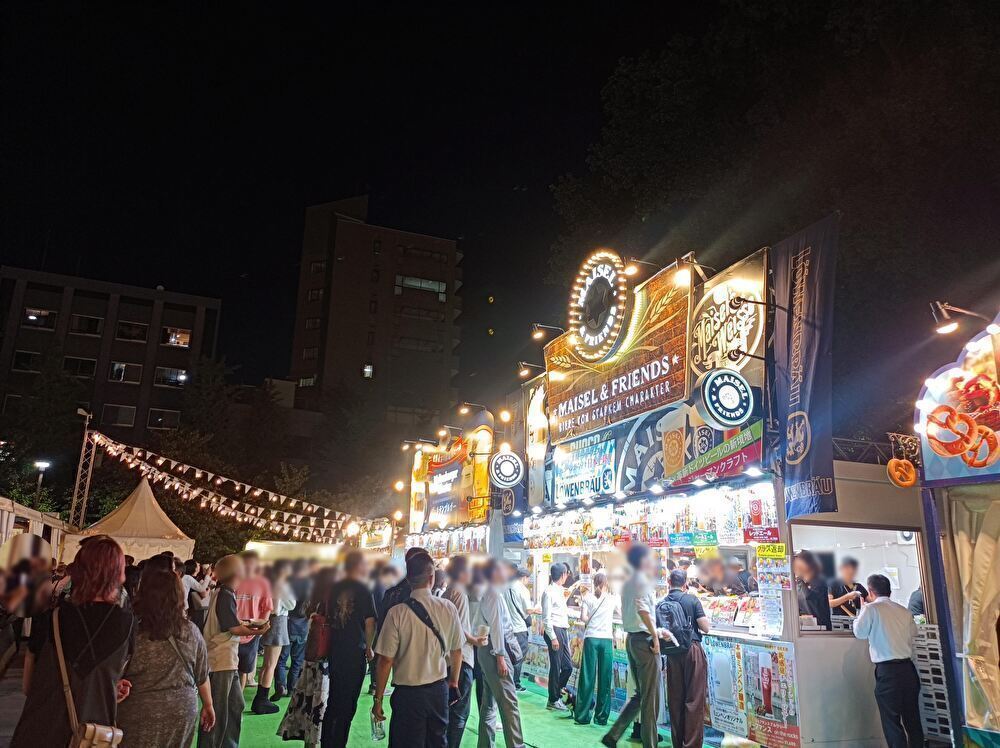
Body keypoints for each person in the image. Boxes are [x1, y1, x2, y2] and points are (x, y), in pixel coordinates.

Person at [11, 535, 135, 747]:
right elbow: (104, 678)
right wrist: (107, 690)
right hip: (90, 737)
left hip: (38, 732)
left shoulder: (51, 617)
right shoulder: (127, 622)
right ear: (117, 574)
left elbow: (28, 686)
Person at [372, 551, 464, 748]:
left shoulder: (396, 613)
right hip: (438, 691)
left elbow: (385, 660)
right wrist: (453, 682)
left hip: (408, 695)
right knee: (437, 742)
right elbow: (457, 651)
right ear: (432, 578)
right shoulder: (448, 608)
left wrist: (378, 699)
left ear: (408, 579)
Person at [117, 568, 215, 746]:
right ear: (179, 595)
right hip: (182, 710)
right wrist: (208, 705)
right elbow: (202, 675)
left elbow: (115, 672)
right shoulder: (190, 631)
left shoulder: (131, 630)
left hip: (138, 711)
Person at [198, 553, 270, 748]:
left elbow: (232, 623)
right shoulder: (225, 594)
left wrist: (248, 626)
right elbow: (234, 628)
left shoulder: (223, 592)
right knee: (218, 711)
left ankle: (228, 744)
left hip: (225, 659)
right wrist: (257, 630)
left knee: (235, 705)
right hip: (220, 659)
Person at [853, 574, 923, 748]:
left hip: (887, 672)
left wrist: (861, 611)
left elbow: (859, 633)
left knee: (892, 722)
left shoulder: (871, 610)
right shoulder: (904, 611)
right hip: (908, 670)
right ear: (889, 591)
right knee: (913, 719)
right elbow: (914, 633)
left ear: (870, 591)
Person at [602, 543, 661, 748]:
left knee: (641, 694)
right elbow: (643, 610)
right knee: (650, 697)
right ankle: (650, 744)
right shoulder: (642, 580)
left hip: (632, 640)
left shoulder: (628, 582)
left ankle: (613, 734)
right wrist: (655, 636)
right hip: (645, 642)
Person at [321, 550, 377, 747]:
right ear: (359, 565)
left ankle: (327, 742)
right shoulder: (363, 589)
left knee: (334, 700)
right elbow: (370, 622)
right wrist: (369, 647)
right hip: (355, 651)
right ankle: (338, 743)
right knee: (348, 704)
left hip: (335, 650)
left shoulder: (334, 587)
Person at [279, 567, 337, 747]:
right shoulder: (332, 601)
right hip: (323, 659)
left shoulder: (314, 597)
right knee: (320, 700)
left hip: (310, 657)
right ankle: (314, 739)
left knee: (307, 697)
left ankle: (307, 739)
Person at [473, 559, 525, 748]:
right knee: (509, 703)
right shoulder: (493, 594)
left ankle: (485, 744)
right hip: (495, 652)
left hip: (487, 650)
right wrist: (500, 658)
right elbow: (497, 628)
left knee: (489, 703)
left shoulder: (487, 591)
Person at [660, 569, 710, 748]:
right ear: (685, 583)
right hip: (692, 651)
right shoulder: (692, 600)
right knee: (694, 700)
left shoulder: (662, 602)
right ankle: (691, 744)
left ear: (669, 582)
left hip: (672, 653)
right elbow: (705, 627)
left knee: (676, 700)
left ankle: (678, 743)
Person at [441, 555, 483, 748]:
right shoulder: (459, 593)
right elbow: (458, 627)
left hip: (448, 660)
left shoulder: (448, 592)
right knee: (459, 713)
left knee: (451, 710)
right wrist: (474, 640)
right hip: (460, 661)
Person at [575, 570, 620, 726]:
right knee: (605, 678)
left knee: (587, 676)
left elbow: (583, 618)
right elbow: (621, 614)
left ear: (594, 583)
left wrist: (592, 620)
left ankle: (582, 716)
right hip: (606, 640)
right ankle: (601, 717)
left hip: (591, 638)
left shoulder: (587, 597)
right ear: (606, 583)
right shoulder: (613, 598)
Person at [256, 560, 296, 713]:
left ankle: (260, 698)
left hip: (269, 620)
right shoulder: (282, 585)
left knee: (266, 664)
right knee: (271, 665)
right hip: (279, 621)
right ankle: (262, 700)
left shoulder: (269, 583)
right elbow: (292, 604)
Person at [236, 550, 274, 691]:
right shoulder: (233, 580)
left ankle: (237, 701)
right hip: (231, 631)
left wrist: (261, 626)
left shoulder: (263, 583)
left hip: (251, 633)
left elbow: (267, 608)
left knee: (243, 670)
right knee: (227, 669)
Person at [276, 558, 313, 698]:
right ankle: (292, 688)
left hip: (287, 623)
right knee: (297, 661)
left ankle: (281, 686)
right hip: (303, 626)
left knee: (281, 659)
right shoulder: (310, 585)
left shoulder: (288, 583)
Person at [541, 562, 573, 711]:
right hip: (554, 630)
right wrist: (553, 637)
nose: (567, 576)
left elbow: (561, 610)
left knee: (567, 667)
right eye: (566, 574)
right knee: (556, 666)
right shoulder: (548, 592)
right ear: (563, 575)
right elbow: (546, 618)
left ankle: (556, 694)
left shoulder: (560, 590)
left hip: (562, 629)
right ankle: (553, 700)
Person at [502, 564, 534, 692]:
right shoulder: (523, 590)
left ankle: (507, 681)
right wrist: (537, 609)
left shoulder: (506, 587)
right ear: (524, 577)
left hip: (508, 628)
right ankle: (515, 683)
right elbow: (528, 610)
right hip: (520, 628)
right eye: (528, 578)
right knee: (519, 656)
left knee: (509, 655)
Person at [793, 550, 832, 630]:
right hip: (805, 628)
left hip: (821, 630)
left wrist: (799, 578)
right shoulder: (798, 583)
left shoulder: (819, 580)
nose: (796, 566)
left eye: (798, 561)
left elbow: (810, 598)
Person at [183, 559, 211, 630]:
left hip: (189, 606)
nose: (199, 565)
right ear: (194, 568)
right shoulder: (192, 578)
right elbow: (203, 591)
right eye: (197, 564)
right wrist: (207, 575)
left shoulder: (184, 577)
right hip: (194, 607)